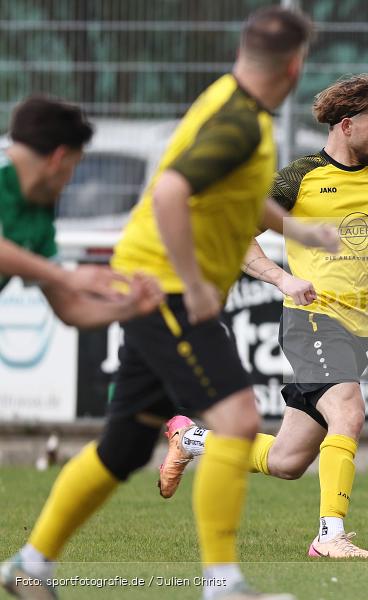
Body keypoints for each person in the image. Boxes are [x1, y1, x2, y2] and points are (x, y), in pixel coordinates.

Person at [1, 7, 330, 600]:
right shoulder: (236, 120)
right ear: (295, 65)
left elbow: (234, 196)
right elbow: (174, 191)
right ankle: (223, 586)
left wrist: (298, 231)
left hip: (153, 289)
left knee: (122, 447)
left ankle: (29, 565)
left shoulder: (233, 111)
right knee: (236, 420)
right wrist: (191, 282)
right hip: (173, 288)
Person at [155, 74, 368, 560]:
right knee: (349, 411)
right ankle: (330, 536)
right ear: (347, 125)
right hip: (312, 320)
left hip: (358, 330)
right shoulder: (298, 177)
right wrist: (282, 279)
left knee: (286, 461)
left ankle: (190, 438)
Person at [0, 96, 162, 325]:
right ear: (59, 158)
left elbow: (71, 308)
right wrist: (66, 277)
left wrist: (131, 307)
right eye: (74, 166)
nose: (70, 180)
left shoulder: (37, 213)